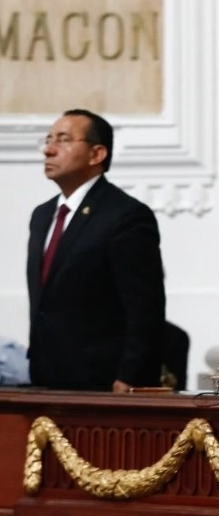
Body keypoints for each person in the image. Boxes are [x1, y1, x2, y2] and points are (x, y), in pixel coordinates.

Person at [27, 109, 165, 391]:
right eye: (48, 139)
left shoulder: (125, 215)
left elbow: (145, 309)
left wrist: (131, 376)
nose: (49, 150)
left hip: (102, 383)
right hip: (45, 380)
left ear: (97, 154)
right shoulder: (42, 216)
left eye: (63, 140)